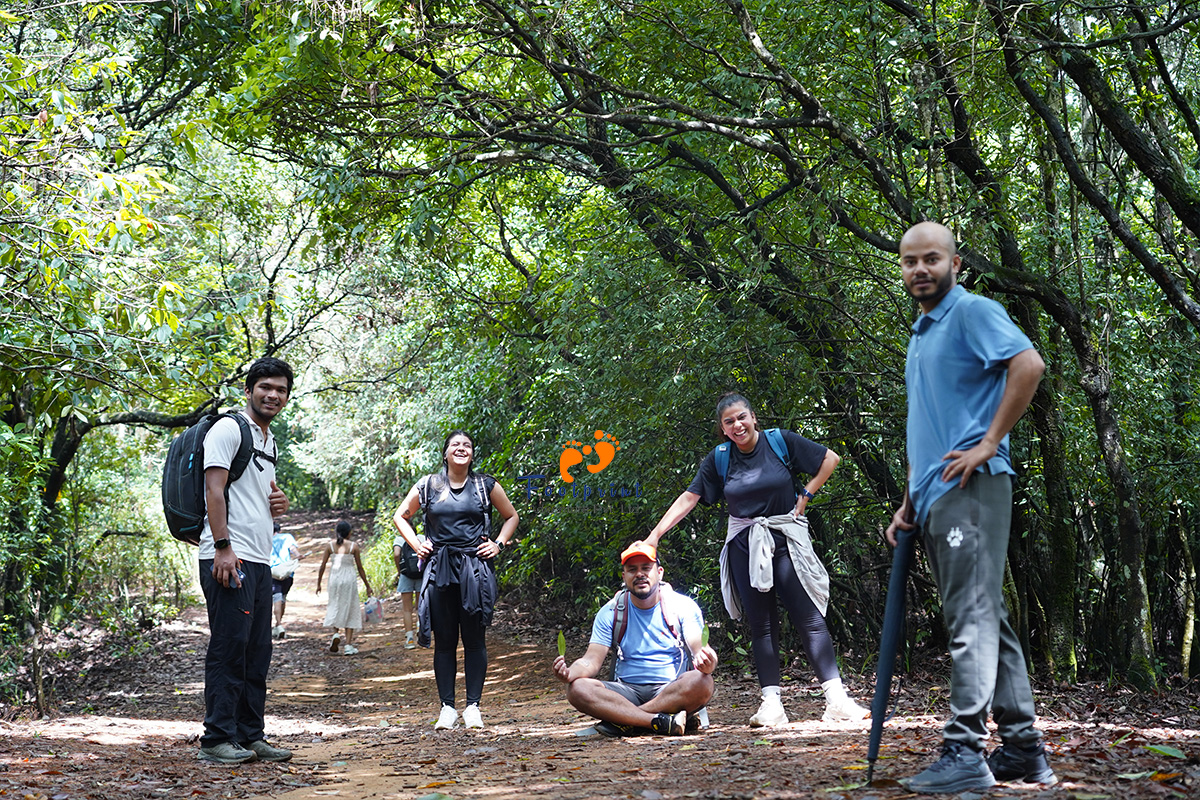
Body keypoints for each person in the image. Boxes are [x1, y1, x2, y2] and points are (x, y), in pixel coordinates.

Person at [886, 221, 1054, 793]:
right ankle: (1024, 749)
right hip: (935, 493)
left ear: (956, 263)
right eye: (910, 262)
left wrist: (988, 442)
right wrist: (910, 497)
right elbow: (925, 424)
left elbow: (1028, 366)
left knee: (971, 620)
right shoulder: (921, 334)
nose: (920, 270)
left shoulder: (972, 311)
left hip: (974, 486)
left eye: (931, 259)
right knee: (987, 617)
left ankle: (964, 751)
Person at [644, 393, 867, 727]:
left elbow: (829, 459)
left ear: (753, 417)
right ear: (722, 428)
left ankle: (837, 700)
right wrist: (655, 535)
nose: (738, 426)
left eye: (742, 417)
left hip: (786, 539)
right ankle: (771, 705)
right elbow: (690, 497)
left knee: (810, 618)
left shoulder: (780, 442)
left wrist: (805, 496)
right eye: (729, 422)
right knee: (762, 626)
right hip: (745, 546)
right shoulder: (720, 459)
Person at [197, 357, 294, 764]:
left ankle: (250, 734)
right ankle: (217, 739)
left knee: (257, 650)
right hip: (226, 555)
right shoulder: (228, 428)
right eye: (265, 387)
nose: (273, 395)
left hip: (257, 558)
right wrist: (222, 546)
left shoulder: (268, 440)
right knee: (229, 647)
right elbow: (213, 490)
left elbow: (252, 495)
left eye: (281, 389)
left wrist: (278, 505)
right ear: (249, 389)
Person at [391, 430, 519, 730]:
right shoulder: (429, 485)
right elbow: (400, 516)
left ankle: (473, 707)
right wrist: (415, 544)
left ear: (472, 454)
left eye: (467, 445)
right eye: (455, 445)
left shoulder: (485, 485)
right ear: (445, 453)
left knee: (475, 640)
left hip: (474, 569)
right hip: (440, 570)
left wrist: (498, 544)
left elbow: (511, 516)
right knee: (445, 641)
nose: (462, 448)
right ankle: (447, 708)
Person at [552, 542, 717, 736]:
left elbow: (700, 648)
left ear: (660, 572)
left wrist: (708, 662)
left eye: (646, 568)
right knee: (577, 688)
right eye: (632, 570)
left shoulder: (682, 606)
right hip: (625, 692)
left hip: (671, 690)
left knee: (702, 681)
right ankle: (658, 721)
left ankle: (627, 720)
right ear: (624, 577)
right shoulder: (611, 611)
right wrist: (570, 672)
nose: (640, 574)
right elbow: (591, 660)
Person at [316, 520, 374, 655]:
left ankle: (336, 634)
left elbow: (323, 565)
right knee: (350, 607)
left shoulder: (330, 546)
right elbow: (360, 568)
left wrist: (318, 583)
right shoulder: (354, 546)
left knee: (335, 604)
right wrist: (367, 586)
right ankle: (348, 645)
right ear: (350, 533)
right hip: (349, 578)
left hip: (335, 578)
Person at [393, 525, 427, 650]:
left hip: (406, 575)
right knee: (420, 606)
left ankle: (409, 639)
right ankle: (420, 627)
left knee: (407, 609)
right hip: (420, 574)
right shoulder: (421, 538)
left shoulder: (400, 539)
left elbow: (397, 554)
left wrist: (400, 570)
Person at [269, 521, 300, 639]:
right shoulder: (287, 537)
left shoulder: (266, 539)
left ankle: (279, 624)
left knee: (276, 597)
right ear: (279, 530)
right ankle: (278, 625)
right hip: (287, 573)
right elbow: (293, 549)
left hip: (273, 573)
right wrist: (298, 556)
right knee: (283, 598)